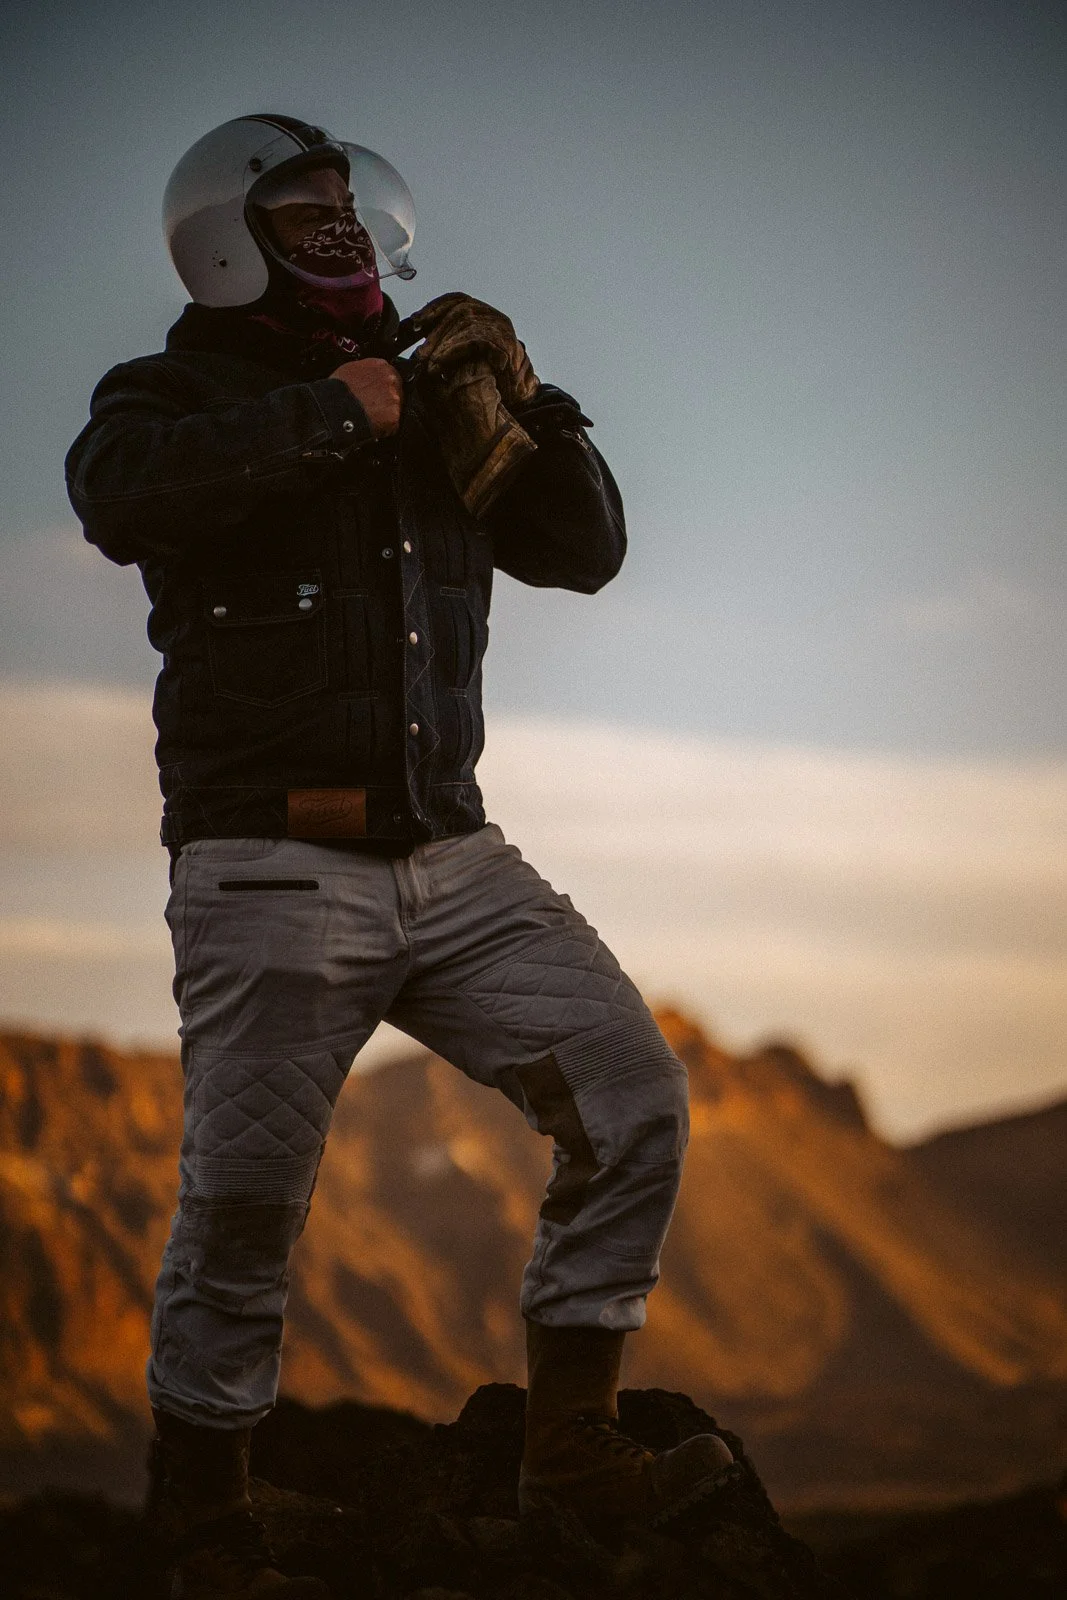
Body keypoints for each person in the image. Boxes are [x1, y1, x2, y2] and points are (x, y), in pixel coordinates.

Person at [66, 114, 734, 1599]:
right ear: (226, 237)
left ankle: (571, 1437)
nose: (341, 226)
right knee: (245, 1205)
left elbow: (586, 549)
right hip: (266, 860)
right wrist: (337, 415)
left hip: (453, 857)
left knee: (630, 1097)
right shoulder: (170, 390)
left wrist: (525, 404)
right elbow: (114, 492)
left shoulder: (439, 391)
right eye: (300, 205)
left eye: (345, 201)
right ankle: (203, 1511)